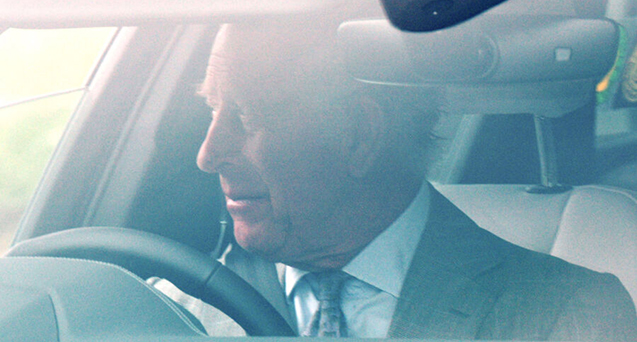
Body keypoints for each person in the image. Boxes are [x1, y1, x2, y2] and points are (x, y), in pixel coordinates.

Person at [154, 19, 637, 340]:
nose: (207, 155)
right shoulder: (169, 307)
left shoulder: (569, 315)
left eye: (245, 115)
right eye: (212, 110)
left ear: (359, 135)